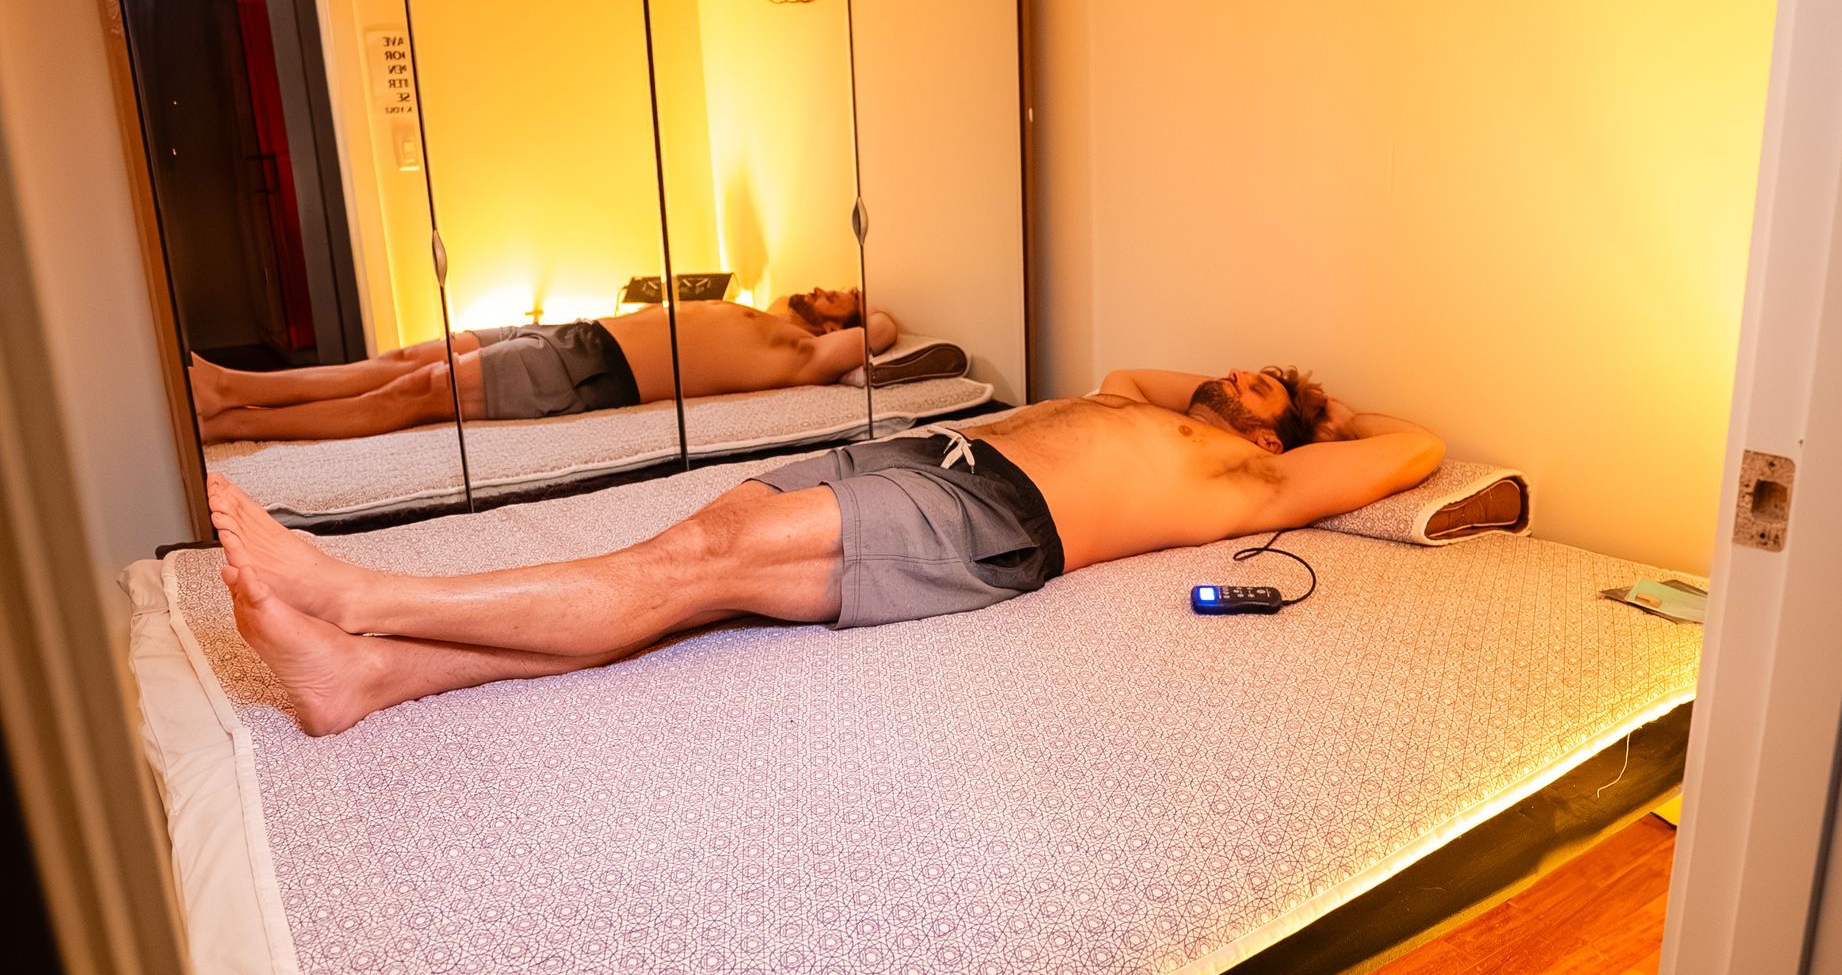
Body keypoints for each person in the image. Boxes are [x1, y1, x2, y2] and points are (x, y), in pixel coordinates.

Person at [209, 362, 1443, 735]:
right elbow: (1135, 370)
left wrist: (1322, 412)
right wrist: (1232, 386)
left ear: (1281, 432)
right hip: (933, 455)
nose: (1234, 370)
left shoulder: (1254, 474)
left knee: (692, 563)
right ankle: (373, 675)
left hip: (998, 519)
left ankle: (358, 594)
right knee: (693, 574)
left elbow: (1416, 447)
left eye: (1262, 381)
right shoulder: (1143, 404)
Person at [189, 289, 899, 444]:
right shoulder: (769, 312)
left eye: (841, 294)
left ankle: (234, 420)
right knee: (411, 356)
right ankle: (228, 385)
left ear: (838, 326)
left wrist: (864, 316)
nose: (823, 288)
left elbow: (885, 330)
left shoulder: (801, 353)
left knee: (416, 392)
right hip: (579, 332)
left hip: (593, 372)